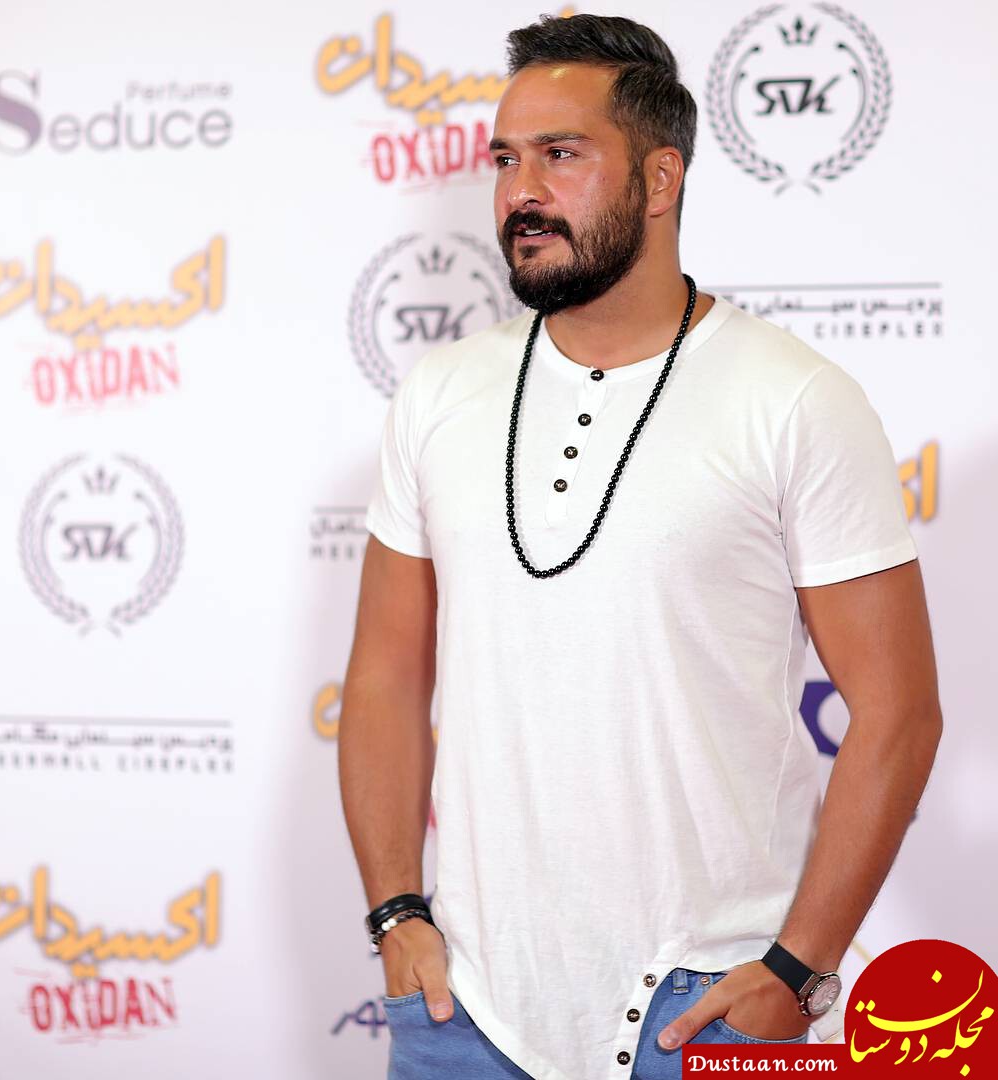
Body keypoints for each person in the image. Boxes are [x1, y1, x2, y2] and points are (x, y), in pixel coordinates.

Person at [338, 13, 942, 1080]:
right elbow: (385, 675)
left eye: (561, 155)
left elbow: (898, 710)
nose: (521, 192)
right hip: (464, 1010)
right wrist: (396, 913)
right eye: (506, 160)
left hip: (702, 1011)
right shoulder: (440, 393)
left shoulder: (794, 399)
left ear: (661, 180)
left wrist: (797, 970)